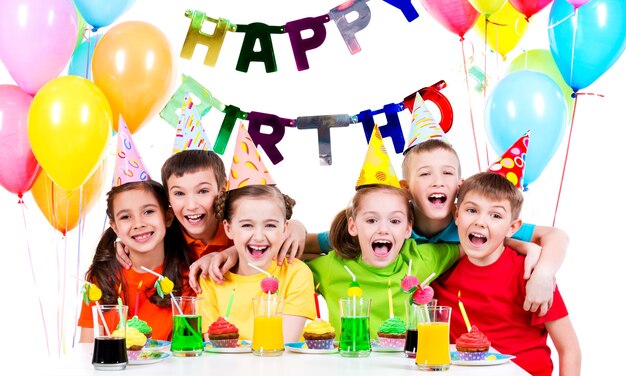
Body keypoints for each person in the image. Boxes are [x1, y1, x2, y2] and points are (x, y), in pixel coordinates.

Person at [308, 137, 568, 316]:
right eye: (424, 173)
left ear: (460, 184)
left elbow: (555, 235)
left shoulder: (474, 220)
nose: (437, 182)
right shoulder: (388, 225)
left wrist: (542, 270)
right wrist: (295, 226)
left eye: (446, 173)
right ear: (406, 188)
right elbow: (306, 245)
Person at [431, 172, 581, 376]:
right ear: (456, 215)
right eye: (472, 210)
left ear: (512, 227)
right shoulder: (441, 269)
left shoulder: (530, 273)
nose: (480, 222)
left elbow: (569, 350)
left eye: (495, 215)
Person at [197, 124, 316, 342]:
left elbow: (283, 343)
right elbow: (213, 348)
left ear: (284, 229)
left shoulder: (296, 274)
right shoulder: (212, 280)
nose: (259, 236)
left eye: (270, 225)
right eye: (247, 225)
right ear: (228, 229)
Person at [77, 180, 191, 342]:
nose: (138, 224)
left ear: (167, 216)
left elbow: (189, 353)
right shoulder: (101, 280)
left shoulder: (188, 278)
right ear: (115, 228)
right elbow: (87, 350)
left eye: (148, 211)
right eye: (125, 217)